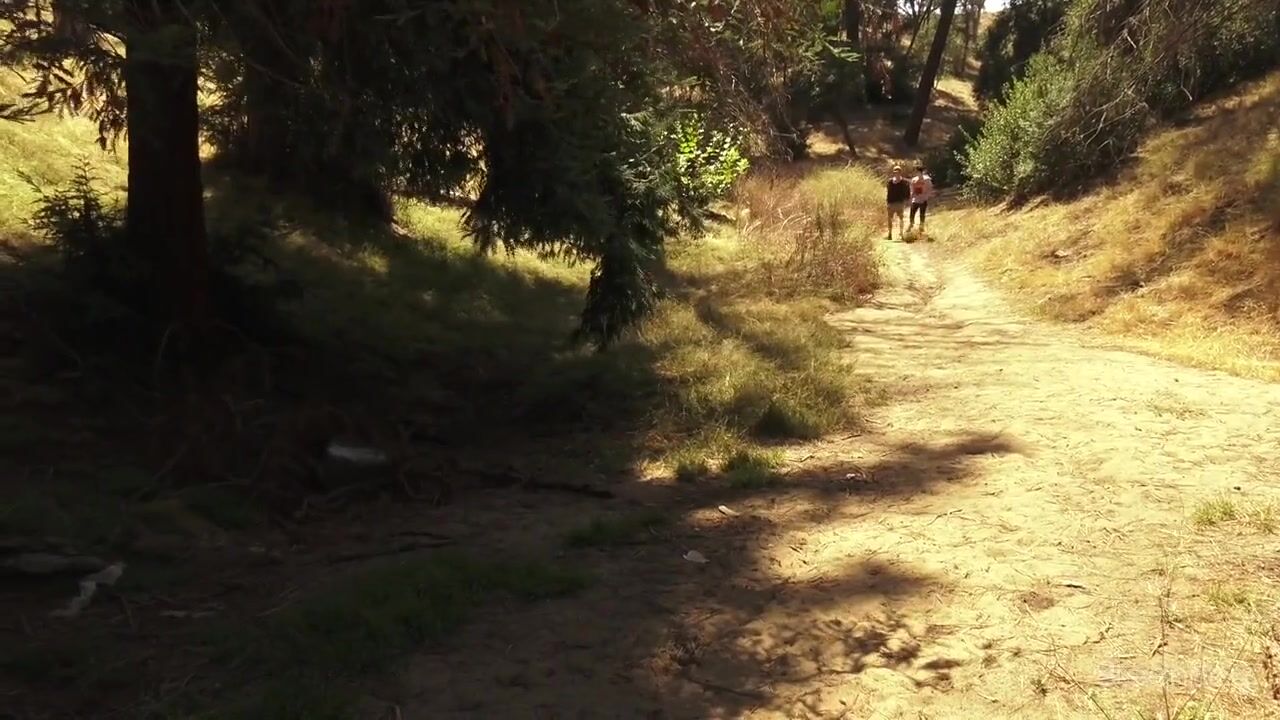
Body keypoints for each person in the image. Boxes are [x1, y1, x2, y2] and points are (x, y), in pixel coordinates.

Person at [885, 163, 910, 240]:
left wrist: (906, 200)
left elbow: (907, 192)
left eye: (898, 172)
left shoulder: (904, 182)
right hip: (891, 202)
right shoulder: (890, 181)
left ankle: (901, 234)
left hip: (900, 202)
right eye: (895, 172)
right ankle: (890, 234)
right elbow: (888, 191)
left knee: (901, 219)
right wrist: (887, 202)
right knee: (889, 219)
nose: (896, 173)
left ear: (900, 172)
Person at [909, 164, 934, 234]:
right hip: (915, 199)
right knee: (912, 213)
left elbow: (930, 189)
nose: (916, 173)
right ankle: (911, 224)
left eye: (917, 171)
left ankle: (921, 227)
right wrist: (911, 197)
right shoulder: (914, 180)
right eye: (915, 171)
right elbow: (912, 189)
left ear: (920, 172)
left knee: (922, 214)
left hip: (923, 199)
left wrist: (926, 197)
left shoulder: (927, 179)